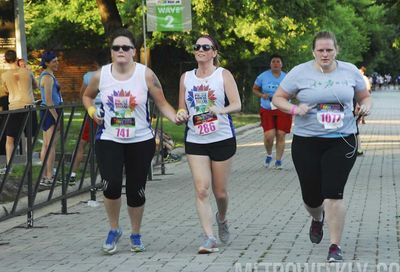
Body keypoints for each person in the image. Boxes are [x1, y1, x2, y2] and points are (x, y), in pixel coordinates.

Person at [82, 28, 185, 255]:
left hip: (140, 139)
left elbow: (162, 102)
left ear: (133, 52)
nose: (121, 51)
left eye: (125, 48)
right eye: (116, 47)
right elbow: (87, 95)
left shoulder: (145, 74)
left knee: (136, 189)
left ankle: (135, 233)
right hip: (109, 138)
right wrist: (91, 110)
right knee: (111, 185)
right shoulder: (101, 75)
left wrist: (176, 116)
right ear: (111, 52)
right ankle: (114, 229)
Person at [272, 31, 372, 263]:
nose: (325, 54)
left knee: (333, 192)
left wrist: (365, 107)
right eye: (321, 50)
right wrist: (296, 109)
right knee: (311, 195)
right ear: (313, 52)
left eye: (329, 50)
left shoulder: (350, 71)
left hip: (342, 139)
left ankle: (334, 245)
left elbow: (365, 97)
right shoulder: (299, 72)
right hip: (307, 141)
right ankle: (317, 219)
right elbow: (278, 98)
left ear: (336, 50)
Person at [176, 35, 241, 254]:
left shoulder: (223, 75)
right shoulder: (186, 78)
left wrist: (220, 110)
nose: (201, 49)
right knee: (202, 189)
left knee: (220, 192)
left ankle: (221, 218)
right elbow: (181, 107)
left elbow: (237, 104)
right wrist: (182, 113)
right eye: (197, 46)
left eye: (206, 47)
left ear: (214, 52)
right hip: (196, 139)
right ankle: (209, 237)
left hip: (221, 138)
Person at [69, 51, 109, 185]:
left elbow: (83, 94)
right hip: (109, 113)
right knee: (107, 145)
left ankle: (72, 174)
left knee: (82, 144)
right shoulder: (114, 75)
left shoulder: (89, 76)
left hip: (93, 113)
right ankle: (107, 175)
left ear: (95, 63)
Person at [0, 50, 38, 175]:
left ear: (5, 60)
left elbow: (4, 91)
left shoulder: (4, 76)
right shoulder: (27, 72)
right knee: (30, 137)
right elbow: (35, 86)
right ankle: (29, 164)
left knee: (10, 138)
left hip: (14, 107)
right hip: (29, 106)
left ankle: (9, 166)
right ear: (17, 58)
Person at [252, 54, 291, 169]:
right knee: (269, 135)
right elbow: (254, 89)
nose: (275, 64)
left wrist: (287, 96)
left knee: (281, 134)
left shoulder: (287, 77)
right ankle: (269, 155)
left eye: (278, 61)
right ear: (270, 64)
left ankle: (278, 161)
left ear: (281, 64)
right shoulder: (263, 76)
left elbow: (293, 90)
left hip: (282, 108)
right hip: (267, 108)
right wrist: (261, 95)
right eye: (273, 61)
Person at [38, 51, 62, 187]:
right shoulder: (47, 77)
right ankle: (49, 175)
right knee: (50, 145)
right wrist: (56, 117)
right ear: (47, 63)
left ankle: (46, 175)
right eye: (54, 61)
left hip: (52, 110)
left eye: (57, 60)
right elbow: (48, 100)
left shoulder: (51, 75)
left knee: (47, 144)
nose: (57, 63)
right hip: (50, 111)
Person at [355, 66, 371, 155]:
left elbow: (367, 88)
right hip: (355, 104)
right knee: (355, 128)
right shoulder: (356, 77)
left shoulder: (363, 78)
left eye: (360, 71)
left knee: (355, 129)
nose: (359, 72)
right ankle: (358, 148)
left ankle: (359, 148)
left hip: (361, 99)